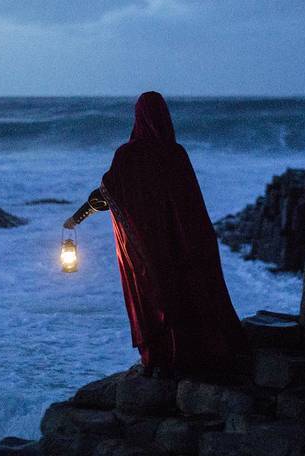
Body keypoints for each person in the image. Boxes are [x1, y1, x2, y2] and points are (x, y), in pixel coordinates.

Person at [64, 91, 249, 381]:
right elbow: (192, 207)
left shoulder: (127, 156)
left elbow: (106, 194)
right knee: (188, 293)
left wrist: (77, 218)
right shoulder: (176, 154)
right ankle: (195, 357)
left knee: (153, 297)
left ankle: (161, 360)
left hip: (145, 250)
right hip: (184, 246)